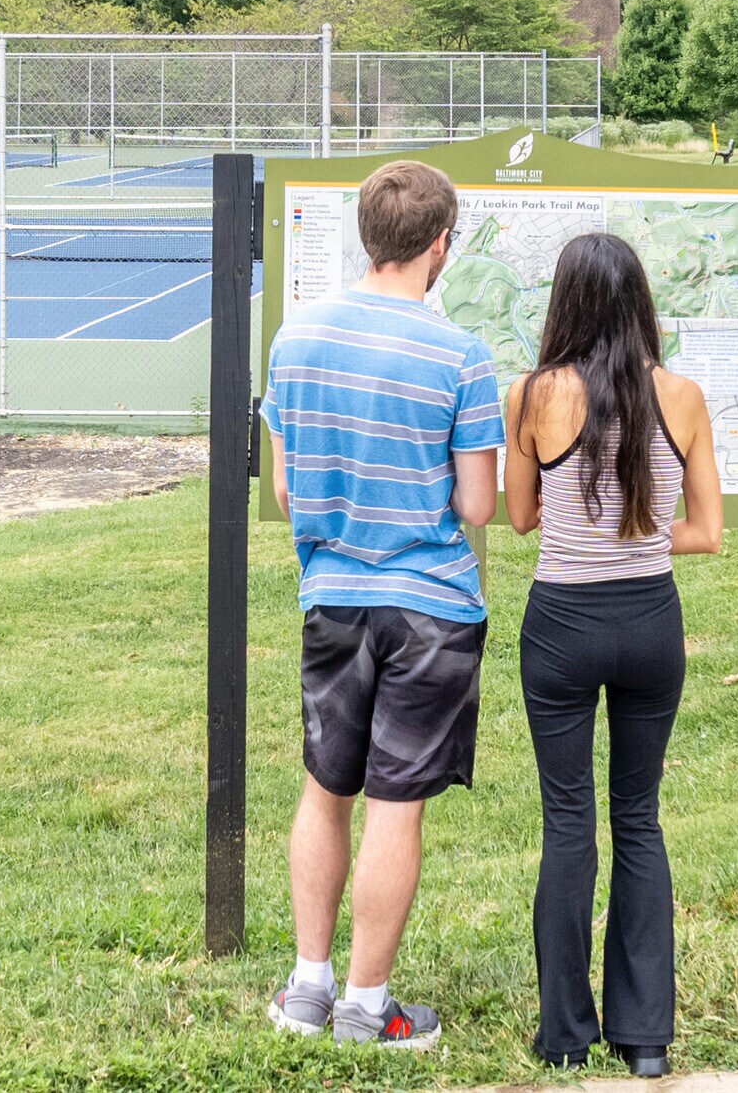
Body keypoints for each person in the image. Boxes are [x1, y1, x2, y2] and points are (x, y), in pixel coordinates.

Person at [261, 160, 505, 1050]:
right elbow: (478, 506)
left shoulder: (294, 339)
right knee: (396, 803)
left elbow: (286, 491)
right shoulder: (462, 355)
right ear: (440, 244)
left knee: (325, 787)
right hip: (432, 604)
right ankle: (369, 1005)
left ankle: (309, 989)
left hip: (333, 596)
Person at [502, 232, 724, 1078]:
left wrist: (587, 532)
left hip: (561, 626)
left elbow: (520, 519)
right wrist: (639, 533)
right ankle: (646, 1039)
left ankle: (564, 1034)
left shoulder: (530, 395)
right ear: (640, 301)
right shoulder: (684, 395)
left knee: (568, 824)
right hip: (650, 623)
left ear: (565, 302)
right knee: (639, 820)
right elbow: (704, 531)